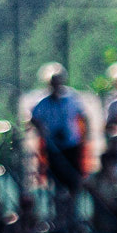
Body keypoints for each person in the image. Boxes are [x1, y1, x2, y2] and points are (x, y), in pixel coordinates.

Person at [29, 65, 88, 198]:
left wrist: (83, 136)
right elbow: (33, 118)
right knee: (56, 179)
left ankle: (74, 206)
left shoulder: (71, 97)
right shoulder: (43, 101)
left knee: (74, 178)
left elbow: (83, 117)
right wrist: (42, 130)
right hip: (54, 147)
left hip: (72, 144)